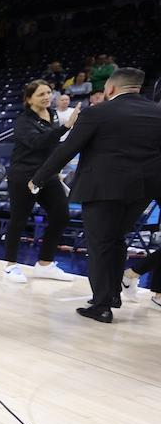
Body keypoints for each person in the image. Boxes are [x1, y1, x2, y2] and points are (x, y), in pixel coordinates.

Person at [30, 68, 161, 322]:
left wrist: (38, 178)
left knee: (100, 244)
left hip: (103, 188)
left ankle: (101, 305)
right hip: (143, 190)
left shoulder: (97, 112)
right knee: (116, 239)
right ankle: (112, 294)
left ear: (110, 88)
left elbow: (68, 148)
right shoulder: (157, 113)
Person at [0, 80, 78, 284]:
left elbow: (51, 144)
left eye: (48, 92)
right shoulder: (23, 121)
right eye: (41, 94)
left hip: (47, 175)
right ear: (28, 99)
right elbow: (36, 143)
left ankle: (45, 264)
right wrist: (65, 127)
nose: (46, 96)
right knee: (19, 220)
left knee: (61, 216)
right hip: (23, 176)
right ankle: (10, 266)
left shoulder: (51, 114)